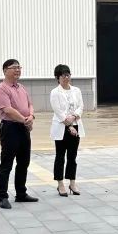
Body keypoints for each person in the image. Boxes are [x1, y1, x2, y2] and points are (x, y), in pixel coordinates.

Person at [0, 59, 37, 209]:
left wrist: (31, 117)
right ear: (5, 70)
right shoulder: (2, 88)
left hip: (23, 128)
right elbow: (7, 109)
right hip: (10, 128)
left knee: (23, 162)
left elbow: (30, 104)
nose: (18, 70)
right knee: (7, 163)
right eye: (14, 68)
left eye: (19, 67)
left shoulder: (21, 87)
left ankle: (21, 193)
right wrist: (25, 120)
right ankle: (2, 197)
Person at [49, 64, 84, 197]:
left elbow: (81, 106)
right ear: (58, 77)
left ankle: (72, 182)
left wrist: (75, 116)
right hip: (61, 127)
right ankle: (60, 184)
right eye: (63, 75)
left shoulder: (76, 90)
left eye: (68, 74)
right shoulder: (55, 92)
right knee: (60, 156)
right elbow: (58, 111)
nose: (66, 77)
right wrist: (69, 126)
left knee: (72, 156)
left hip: (76, 125)